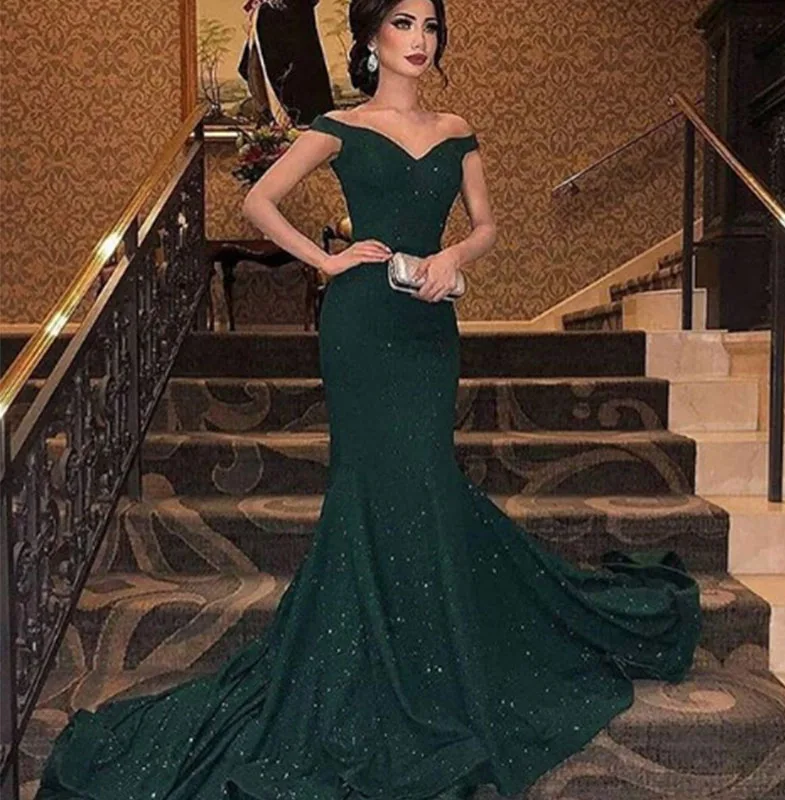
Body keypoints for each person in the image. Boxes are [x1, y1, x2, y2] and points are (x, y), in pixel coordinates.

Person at [36, 1, 702, 797]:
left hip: (428, 330)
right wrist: (328, 262)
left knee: (426, 479)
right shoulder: (340, 127)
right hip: (360, 327)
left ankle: (430, 650)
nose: (419, 40)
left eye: (430, 26)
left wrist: (454, 256)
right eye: (403, 24)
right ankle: (376, 653)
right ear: (372, 37)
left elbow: (486, 225)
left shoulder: (456, 129)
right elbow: (258, 202)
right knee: (370, 484)